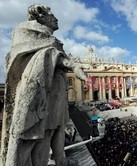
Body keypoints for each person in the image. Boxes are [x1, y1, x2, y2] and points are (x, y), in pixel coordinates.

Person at [1, 4, 88, 166]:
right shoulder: (26, 32)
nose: (56, 19)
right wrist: (72, 65)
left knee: (50, 130)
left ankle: (58, 159)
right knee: (31, 133)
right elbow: (42, 55)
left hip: (54, 90)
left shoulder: (51, 40)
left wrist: (71, 64)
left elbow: (54, 55)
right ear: (41, 17)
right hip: (39, 88)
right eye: (53, 16)